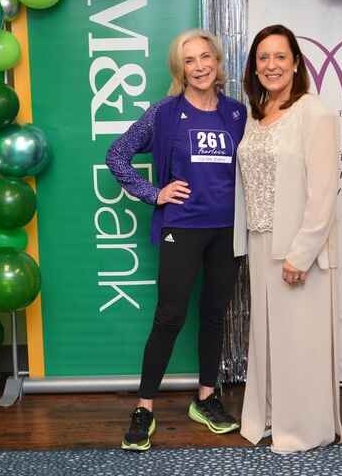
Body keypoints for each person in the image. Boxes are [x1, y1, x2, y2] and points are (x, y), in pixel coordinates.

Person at [106, 28, 247, 452]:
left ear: (218, 63)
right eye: (190, 60)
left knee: (214, 315)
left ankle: (206, 397)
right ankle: (145, 408)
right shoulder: (164, 113)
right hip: (181, 228)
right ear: (179, 68)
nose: (200, 66)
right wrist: (154, 193)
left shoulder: (238, 114)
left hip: (227, 231)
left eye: (207, 57)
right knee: (169, 317)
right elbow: (117, 155)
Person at [236, 24, 342, 453]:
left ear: (296, 63)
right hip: (260, 242)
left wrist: (302, 252)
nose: (271, 65)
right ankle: (268, 418)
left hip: (298, 249)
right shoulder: (256, 115)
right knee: (266, 343)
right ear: (254, 67)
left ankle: (303, 428)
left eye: (280, 56)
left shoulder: (314, 112)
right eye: (263, 58)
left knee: (300, 343)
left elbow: (324, 192)